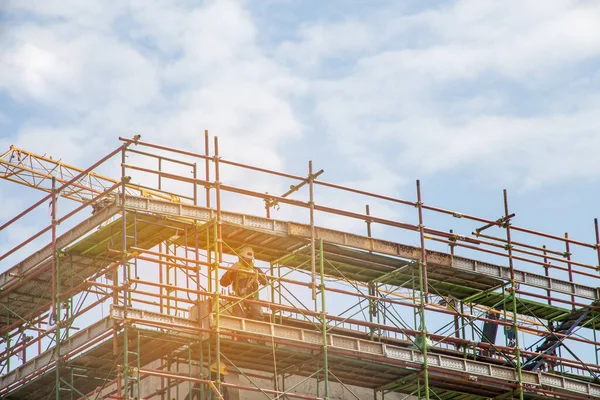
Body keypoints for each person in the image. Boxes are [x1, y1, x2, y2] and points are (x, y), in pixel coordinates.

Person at [220, 246, 267, 320]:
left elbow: (265, 282)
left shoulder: (256, 270)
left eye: (249, 260)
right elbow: (223, 283)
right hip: (238, 298)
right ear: (241, 258)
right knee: (240, 319)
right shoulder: (235, 271)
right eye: (246, 259)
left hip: (253, 298)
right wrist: (230, 271)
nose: (248, 261)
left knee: (259, 317)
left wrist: (259, 275)